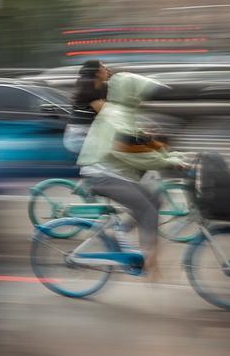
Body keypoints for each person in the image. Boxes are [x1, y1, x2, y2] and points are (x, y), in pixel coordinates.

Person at [76, 72, 190, 279]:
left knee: (154, 200)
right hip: (100, 173)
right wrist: (167, 162)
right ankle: (151, 263)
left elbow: (143, 143)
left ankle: (119, 235)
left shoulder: (122, 113)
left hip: (112, 172)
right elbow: (130, 151)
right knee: (146, 208)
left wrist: (173, 155)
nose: (143, 99)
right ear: (130, 94)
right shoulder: (115, 116)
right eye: (140, 95)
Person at [63, 60, 112, 154]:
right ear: (97, 73)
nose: (108, 70)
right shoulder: (88, 92)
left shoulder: (102, 87)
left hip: (91, 135)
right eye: (104, 68)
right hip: (79, 138)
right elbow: (110, 115)